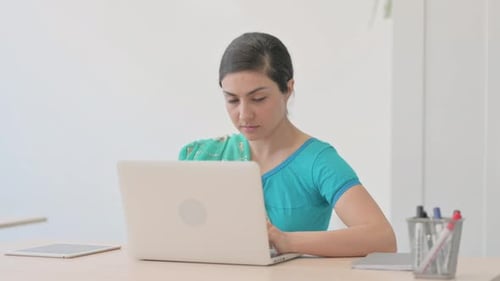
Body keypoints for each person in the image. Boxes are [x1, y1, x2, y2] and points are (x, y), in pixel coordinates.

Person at [179, 32, 396, 257]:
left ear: (288, 89)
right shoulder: (200, 157)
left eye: (258, 99)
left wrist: (287, 241)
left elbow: (382, 238)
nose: (244, 114)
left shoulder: (318, 161)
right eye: (232, 100)